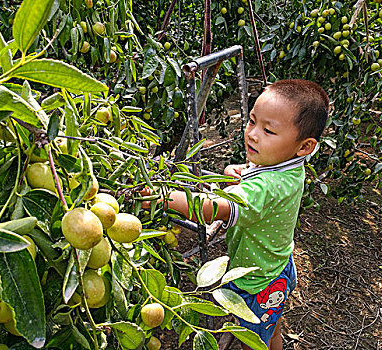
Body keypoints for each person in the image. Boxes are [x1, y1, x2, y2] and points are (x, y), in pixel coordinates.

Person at [140, 79, 329, 349]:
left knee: (253, 343)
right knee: (270, 328)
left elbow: (212, 209)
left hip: (259, 285)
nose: (252, 134)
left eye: (268, 130)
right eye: (252, 121)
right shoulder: (285, 163)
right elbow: (256, 178)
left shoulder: (268, 186)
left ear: (304, 146)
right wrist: (236, 172)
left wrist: (161, 198)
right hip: (278, 266)